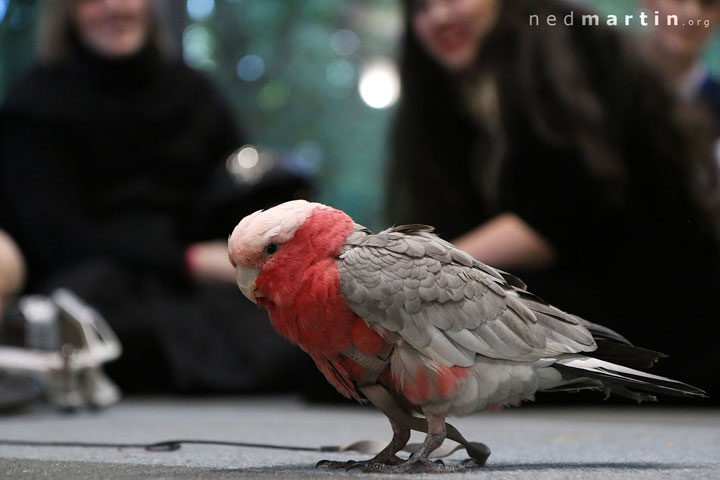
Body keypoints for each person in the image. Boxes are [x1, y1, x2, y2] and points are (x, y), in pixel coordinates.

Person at [386, 0, 720, 399]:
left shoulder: (562, 43)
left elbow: (564, 218)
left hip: (651, 309)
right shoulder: (463, 94)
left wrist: (418, 277)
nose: (439, 16)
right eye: (422, 7)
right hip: (571, 293)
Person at [0, 0, 317, 393]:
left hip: (191, 290)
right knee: (106, 331)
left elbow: (232, 198)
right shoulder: (33, 103)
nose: (115, 7)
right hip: (94, 281)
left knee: (302, 326)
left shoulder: (193, 93)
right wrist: (188, 260)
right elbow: (58, 237)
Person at [643, 0, 720, 123]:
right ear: (650, 2)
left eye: (707, 3)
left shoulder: (715, 106)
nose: (692, 14)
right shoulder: (610, 83)